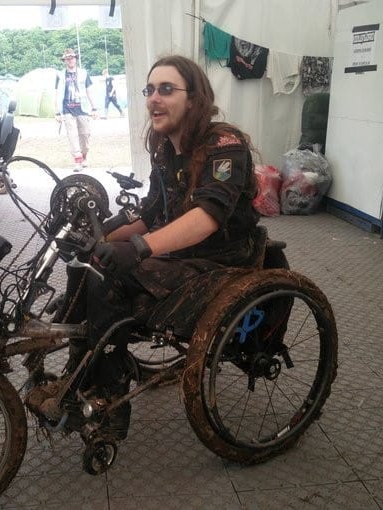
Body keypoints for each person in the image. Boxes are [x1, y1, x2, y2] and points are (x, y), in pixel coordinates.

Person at [55, 55, 261, 441]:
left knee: (109, 277)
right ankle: (81, 364)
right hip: (182, 252)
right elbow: (152, 211)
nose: (153, 98)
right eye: (149, 90)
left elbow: (208, 217)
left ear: (195, 98)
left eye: (166, 89)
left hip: (223, 258)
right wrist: (100, 238)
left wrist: (138, 249)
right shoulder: (166, 148)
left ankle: (111, 398)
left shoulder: (225, 145)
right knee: (88, 260)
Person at [55, 48, 98, 171]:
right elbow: (57, 93)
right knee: (72, 136)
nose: (70, 60)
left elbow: (89, 91)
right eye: (67, 58)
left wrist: (94, 108)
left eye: (72, 58)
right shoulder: (60, 75)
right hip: (67, 109)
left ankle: (84, 156)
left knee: (85, 134)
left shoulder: (84, 73)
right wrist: (57, 112)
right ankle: (77, 161)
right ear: (64, 61)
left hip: (82, 108)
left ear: (76, 59)